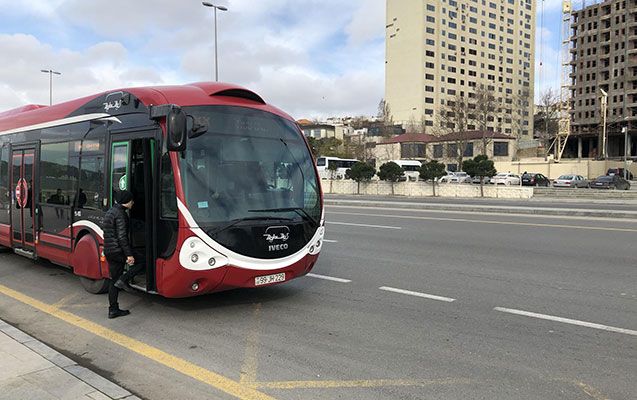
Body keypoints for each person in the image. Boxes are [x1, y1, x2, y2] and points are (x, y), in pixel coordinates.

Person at [103, 190, 143, 319]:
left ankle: (113, 310)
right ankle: (124, 279)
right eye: (131, 200)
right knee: (143, 261)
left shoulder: (110, 212)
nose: (133, 202)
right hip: (118, 251)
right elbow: (122, 237)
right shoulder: (121, 214)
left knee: (113, 281)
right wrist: (129, 255)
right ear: (127, 201)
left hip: (109, 250)